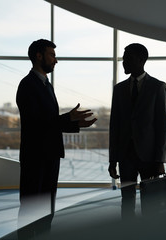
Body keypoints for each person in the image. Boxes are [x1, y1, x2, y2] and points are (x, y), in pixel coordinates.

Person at [16, 39, 97, 236]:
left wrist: (75, 124)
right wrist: (68, 118)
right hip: (35, 156)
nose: (56, 60)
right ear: (39, 56)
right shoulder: (27, 85)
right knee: (30, 208)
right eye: (52, 55)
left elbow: (49, 122)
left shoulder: (46, 85)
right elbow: (35, 124)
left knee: (46, 208)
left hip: (50, 154)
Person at [108, 43, 166, 219]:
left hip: (149, 157)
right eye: (123, 58)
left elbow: (161, 127)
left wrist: (160, 159)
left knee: (151, 204)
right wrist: (113, 160)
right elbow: (115, 126)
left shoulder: (158, 87)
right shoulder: (119, 89)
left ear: (141, 60)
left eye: (128, 58)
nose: (124, 62)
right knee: (126, 202)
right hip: (125, 156)